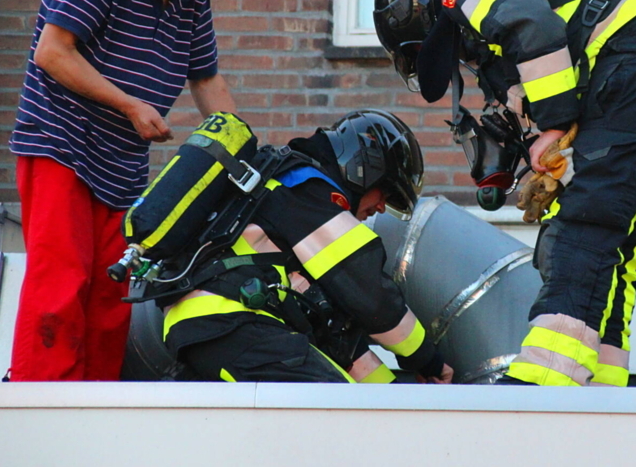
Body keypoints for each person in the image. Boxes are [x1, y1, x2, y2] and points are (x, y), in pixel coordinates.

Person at [372, 0, 636, 387]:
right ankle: (602, 381)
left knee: (585, 224)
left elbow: (532, 25)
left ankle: (544, 379)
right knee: (622, 242)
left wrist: (553, 126)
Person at [8, 0, 248, 381]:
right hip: (60, 146)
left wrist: (244, 156)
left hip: (122, 167)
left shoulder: (193, 1)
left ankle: (94, 425)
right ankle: (37, 415)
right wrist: (130, 105)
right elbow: (52, 52)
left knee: (112, 302)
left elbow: (205, 79)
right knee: (60, 288)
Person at [160, 109, 454, 385]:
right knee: (336, 415)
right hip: (235, 323)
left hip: (210, 329)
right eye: (385, 193)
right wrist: (430, 363)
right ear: (366, 171)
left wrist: (394, 396)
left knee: (353, 415)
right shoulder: (308, 191)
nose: (380, 207)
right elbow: (372, 300)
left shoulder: (282, 192)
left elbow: (338, 338)